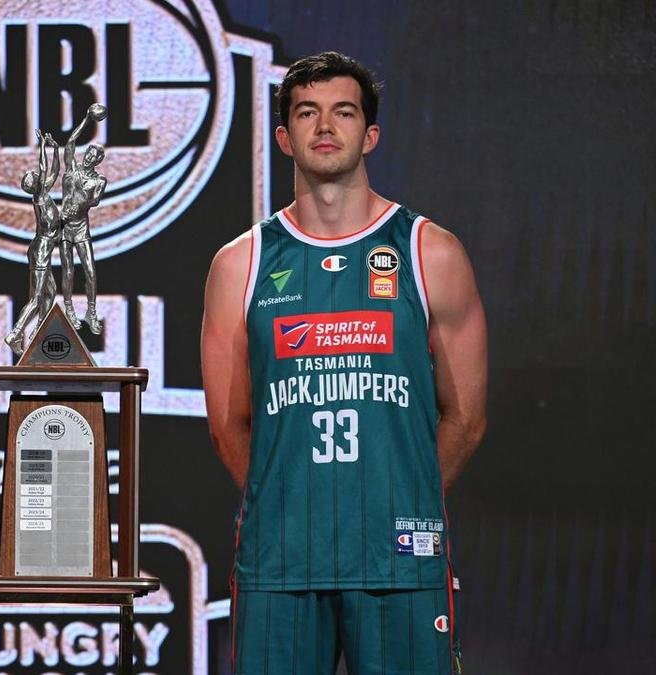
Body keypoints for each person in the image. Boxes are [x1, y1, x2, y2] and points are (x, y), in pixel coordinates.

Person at [201, 52, 486, 674]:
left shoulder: (430, 252)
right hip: (280, 561)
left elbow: (466, 419)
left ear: (370, 134)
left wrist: (394, 500)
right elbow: (227, 426)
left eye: (344, 112)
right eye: (307, 112)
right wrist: (293, 504)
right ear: (284, 137)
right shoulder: (239, 264)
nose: (325, 126)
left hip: (400, 559)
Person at [6, 130, 61, 356]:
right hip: (41, 250)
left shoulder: (44, 194)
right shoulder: (38, 197)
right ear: (34, 184)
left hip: (43, 250)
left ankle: (39, 334)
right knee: (37, 297)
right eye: (34, 176)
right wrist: (42, 146)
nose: (38, 174)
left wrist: (55, 149)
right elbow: (44, 168)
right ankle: (16, 333)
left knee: (51, 292)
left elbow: (54, 172)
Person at [59, 104, 108, 334]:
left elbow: (94, 202)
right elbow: (70, 142)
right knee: (68, 270)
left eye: (95, 156)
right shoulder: (72, 169)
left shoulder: (99, 181)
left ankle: (91, 311)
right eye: (89, 153)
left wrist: (78, 204)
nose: (90, 157)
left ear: (98, 160)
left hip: (80, 226)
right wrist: (87, 119)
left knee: (90, 270)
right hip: (64, 227)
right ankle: (69, 309)